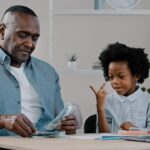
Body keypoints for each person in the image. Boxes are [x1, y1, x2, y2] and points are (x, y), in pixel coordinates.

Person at [0, 5, 78, 137]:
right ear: (2, 31)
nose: (30, 44)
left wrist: (68, 124)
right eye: (23, 35)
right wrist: (3, 121)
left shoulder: (47, 72)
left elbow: (59, 118)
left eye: (35, 38)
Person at [90, 42, 150, 133]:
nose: (114, 82)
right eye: (111, 77)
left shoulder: (147, 100)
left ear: (136, 75)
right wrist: (100, 109)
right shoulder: (107, 101)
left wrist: (135, 130)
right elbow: (102, 135)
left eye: (121, 76)